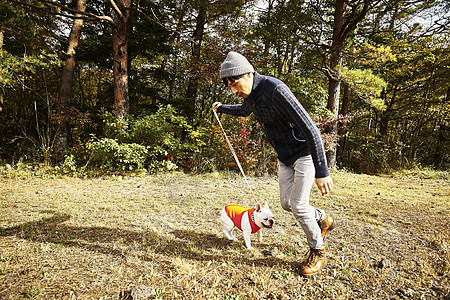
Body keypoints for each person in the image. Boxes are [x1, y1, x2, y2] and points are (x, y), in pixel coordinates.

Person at [212, 51, 335, 277]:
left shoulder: (276, 89)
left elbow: (311, 129)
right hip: (285, 157)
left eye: (236, 84)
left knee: (297, 205)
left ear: (248, 74)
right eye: (230, 87)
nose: (234, 90)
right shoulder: (250, 96)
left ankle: (318, 250)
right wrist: (221, 108)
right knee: (287, 204)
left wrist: (322, 170)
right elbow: (243, 111)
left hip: (304, 153)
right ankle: (321, 217)